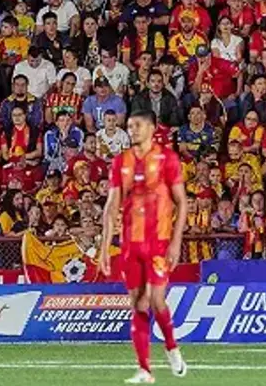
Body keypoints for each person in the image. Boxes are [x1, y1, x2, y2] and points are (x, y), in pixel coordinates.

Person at [97, 110, 188, 383]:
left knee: (156, 300)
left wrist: (176, 242)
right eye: (129, 126)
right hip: (130, 245)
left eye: (136, 126)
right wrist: (104, 248)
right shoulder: (120, 161)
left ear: (151, 128)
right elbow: (111, 206)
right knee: (137, 303)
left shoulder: (167, 159)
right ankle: (145, 369)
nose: (132, 130)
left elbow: (182, 202)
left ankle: (172, 347)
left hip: (159, 243)